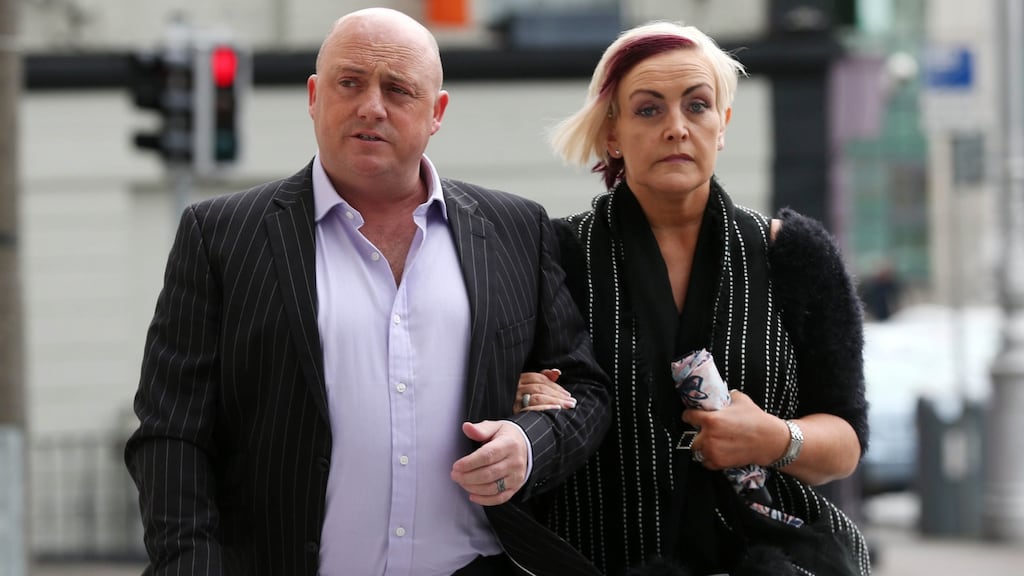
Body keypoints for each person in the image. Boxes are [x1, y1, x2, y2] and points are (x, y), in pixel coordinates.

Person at [124, 8, 611, 576]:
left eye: (398, 89)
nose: (371, 106)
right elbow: (171, 435)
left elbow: (584, 389)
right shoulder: (222, 236)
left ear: (437, 112)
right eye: (349, 82)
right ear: (314, 95)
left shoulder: (515, 229)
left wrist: (529, 446)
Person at [514, 21, 871, 576]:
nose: (677, 128)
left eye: (697, 106)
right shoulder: (553, 255)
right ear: (612, 133)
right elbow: (501, 403)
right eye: (649, 109)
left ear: (722, 125)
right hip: (596, 557)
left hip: (768, 558)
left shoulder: (794, 255)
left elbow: (845, 443)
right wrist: (520, 395)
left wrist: (775, 438)